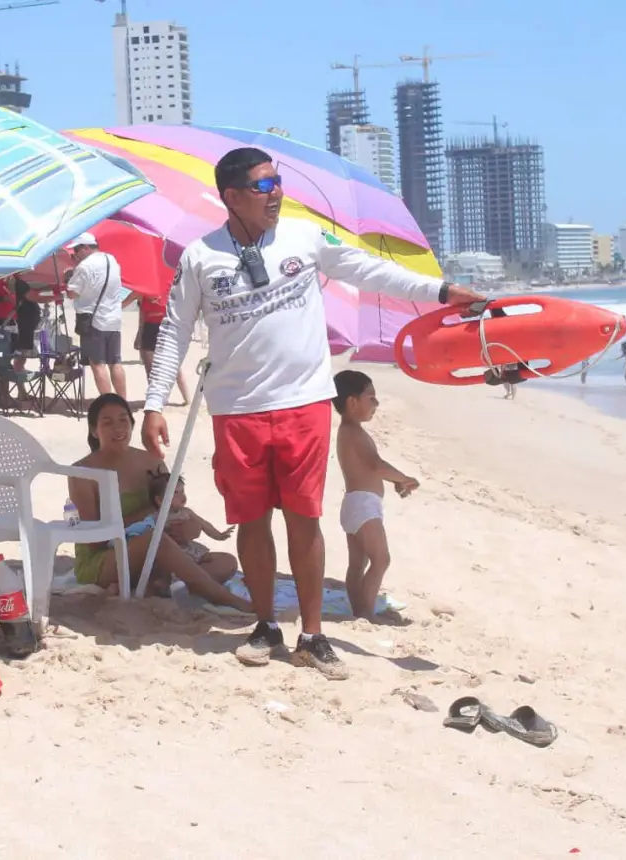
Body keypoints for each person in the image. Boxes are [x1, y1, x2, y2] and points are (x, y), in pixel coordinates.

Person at [141, 146, 482, 678]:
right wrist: (155, 401)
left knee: (305, 520)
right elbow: (175, 331)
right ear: (231, 196)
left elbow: (372, 271)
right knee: (251, 522)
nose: (275, 192)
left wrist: (440, 292)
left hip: (303, 405)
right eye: (262, 185)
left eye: (277, 182)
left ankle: (312, 634)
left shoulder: (304, 237)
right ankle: (264, 625)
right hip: (238, 410)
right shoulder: (200, 257)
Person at [69, 394, 252, 612]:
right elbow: (93, 540)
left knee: (226, 562)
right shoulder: (83, 473)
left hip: (157, 553)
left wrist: (187, 530)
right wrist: (148, 516)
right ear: (93, 430)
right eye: (107, 423)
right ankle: (224, 598)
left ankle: (157, 588)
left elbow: (176, 507)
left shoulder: (152, 461)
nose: (118, 428)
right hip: (104, 558)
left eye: (123, 420)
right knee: (155, 541)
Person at [332, 370, 417, 620]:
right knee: (381, 560)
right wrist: (403, 478)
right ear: (352, 402)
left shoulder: (348, 431)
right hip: (364, 506)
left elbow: (368, 468)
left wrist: (392, 482)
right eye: (372, 398)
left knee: (358, 564)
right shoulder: (354, 432)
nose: (376, 404)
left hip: (355, 503)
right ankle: (366, 613)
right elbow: (376, 465)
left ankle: (358, 607)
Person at [64, 232, 127, 399]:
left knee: (97, 363)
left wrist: (69, 275)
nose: (75, 254)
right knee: (115, 362)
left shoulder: (85, 266)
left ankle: (108, 403)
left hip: (93, 320)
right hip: (113, 319)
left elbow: (72, 293)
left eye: (76, 250)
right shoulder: (111, 260)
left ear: (85, 248)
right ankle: (122, 401)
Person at [144, 470, 238, 579]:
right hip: (172, 557)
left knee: (226, 560)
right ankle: (179, 582)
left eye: (182, 491)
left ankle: (192, 581)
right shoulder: (155, 518)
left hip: (190, 550)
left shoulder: (186, 512)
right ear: (160, 500)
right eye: (175, 493)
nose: (182, 496)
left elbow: (203, 524)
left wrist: (219, 535)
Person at [0, 273, 48, 402]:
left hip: (15, 321)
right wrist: (4, 299)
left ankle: (21, 392)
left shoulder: (13, 277)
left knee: (19, 356)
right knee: (1, 360)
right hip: (0, 322)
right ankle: (2, 395)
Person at [137, 293, 191, 406]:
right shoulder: (153, 291)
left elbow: (142, 315)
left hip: (159, 327)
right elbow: (143, 315)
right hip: (156, 327)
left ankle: (185, 398)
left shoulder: (164, 290)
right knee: (157, 368)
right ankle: (159, 397)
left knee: (168, 366)